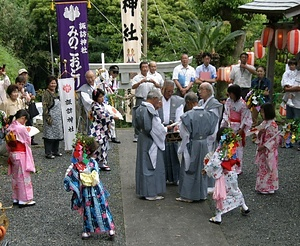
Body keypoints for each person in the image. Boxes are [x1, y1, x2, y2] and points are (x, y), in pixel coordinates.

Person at [64, 135, 115, 240]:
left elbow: (71, 175)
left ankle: (88, 230)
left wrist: (70, 181)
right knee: (102, 209)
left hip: (86, 190)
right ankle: (109, 229)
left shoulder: (79, 163)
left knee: (88, 210)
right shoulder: (91, 162)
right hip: (96, 189)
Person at [176, 92, 218, 203]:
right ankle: (201, 193)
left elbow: (184, 134)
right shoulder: (209, 115)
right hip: (204, 143)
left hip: (192, 143)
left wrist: (182, 147)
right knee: (202, 167)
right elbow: (212, 132)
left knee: (190, 167)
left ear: (189, 103)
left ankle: (188, 195)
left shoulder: (187, 116)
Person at [203, 127, 250, 224]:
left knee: (221, 195)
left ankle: (218, 216)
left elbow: (214, 163)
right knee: (235, 190)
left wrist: (206, 169)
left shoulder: (220, 150)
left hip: (223, 175)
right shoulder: (231, 147)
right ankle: (244, 206)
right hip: (232, 173)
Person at [135, 90, 167, 200]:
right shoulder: (149, 110)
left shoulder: (139, 108)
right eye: (158, 100)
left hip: (142, 137)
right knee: (152, 164)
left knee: (144, 164)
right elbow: (156, 129)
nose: (159, 103)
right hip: (150, 139)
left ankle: (144, 190)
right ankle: (151, 192)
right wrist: (166, 129)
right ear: (153, 99)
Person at [6, 109, 36, 208]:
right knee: (23, 176)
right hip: (21, 154)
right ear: (23, 118)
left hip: (13, 154)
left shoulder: (11, 126)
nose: (25, 122)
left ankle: (16, 197)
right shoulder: (21, 128)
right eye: (25, 120)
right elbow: (27, 140)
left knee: (16, 177)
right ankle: (24, 199)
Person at [220, 84, 252, 174]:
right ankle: (228, 164)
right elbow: (226, 112)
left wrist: (241, 128)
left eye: (231, 93)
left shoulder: (242, 104)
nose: (229, 95)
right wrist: (225, 123)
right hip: (229, 124)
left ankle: (238, 167)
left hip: (238, 126)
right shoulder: (228, 101)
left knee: (238, 148)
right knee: (227, 145)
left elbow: (245, 117)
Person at [158, 80, 184, 185]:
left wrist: (176, 125)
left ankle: (175, 177)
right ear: (162, 89)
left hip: (172, 128)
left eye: (171, 91)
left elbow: (180, 116)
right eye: (168, 91)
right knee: (161, 154)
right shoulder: (157, 100)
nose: (170, 93)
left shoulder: (178, 101)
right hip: (160, 128)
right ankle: (162, 177)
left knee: (173, 153)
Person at [198, 82, 223, 193]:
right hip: (200, 134)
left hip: (209, 135)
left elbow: (214, 122)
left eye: (201, 90)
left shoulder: (214, 104)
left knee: (209, 158)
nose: (199, 92)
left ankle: (210, 183)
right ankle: (202, 181)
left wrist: (211, 135)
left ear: (208, 91)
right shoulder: (200, 102)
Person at [131, 61, 161, 142]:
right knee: (138, 116)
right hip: (140, 98)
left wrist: (153, 82)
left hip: (149, 99)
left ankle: (151, 133)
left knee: (150, 116)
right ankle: (136, 134)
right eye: (143, 67)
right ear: (140, 68)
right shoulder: (137, 77)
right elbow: (133, 86)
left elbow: (159, 86)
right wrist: (140, 82)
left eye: (146, 67)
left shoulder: (152, 77)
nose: (145, 69)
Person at [254, 103, 280, 194]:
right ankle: (263, 186)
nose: (261, 114)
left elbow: (275, 140)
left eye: (263, 112)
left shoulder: (273, 125)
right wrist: (260, 133)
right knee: (263, 168)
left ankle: (269, 187)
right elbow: (258, 131)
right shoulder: (265, 123)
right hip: (263, 148)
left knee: (269, 167)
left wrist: (264, 146)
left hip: (268, 150)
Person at [89, 88, 113, 171]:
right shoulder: (95, 106)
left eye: (103, 96)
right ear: (96, 98)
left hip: (104, 127)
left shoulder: (103, 105)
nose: (102, 98)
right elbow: (102, 116)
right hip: (97, 127)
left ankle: (102, 162)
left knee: (104, 145)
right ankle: (93, 162)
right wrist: (112, 116)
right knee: (99, 143)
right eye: (100, 97)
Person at [42, 76, 64, 159]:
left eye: (54, 83)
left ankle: (56, 151)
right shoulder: (46, 93)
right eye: (51, 83)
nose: (53, 85)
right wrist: (47, 117)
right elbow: (45, 107)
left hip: (58, 117)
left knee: (57, 135)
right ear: (48, 84)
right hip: (50, 117)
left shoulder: (57, 92)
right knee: (49, 136)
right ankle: (48, 152)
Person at [18, 69, 38, 145]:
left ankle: (31, 139)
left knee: (30, 122)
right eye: (22, 74)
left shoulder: (30, 86)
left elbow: (34, 96)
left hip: (29, 106)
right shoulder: (17, 85)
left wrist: (29, 95)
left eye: (25, 74)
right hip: (21, 106)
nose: (24, 76)